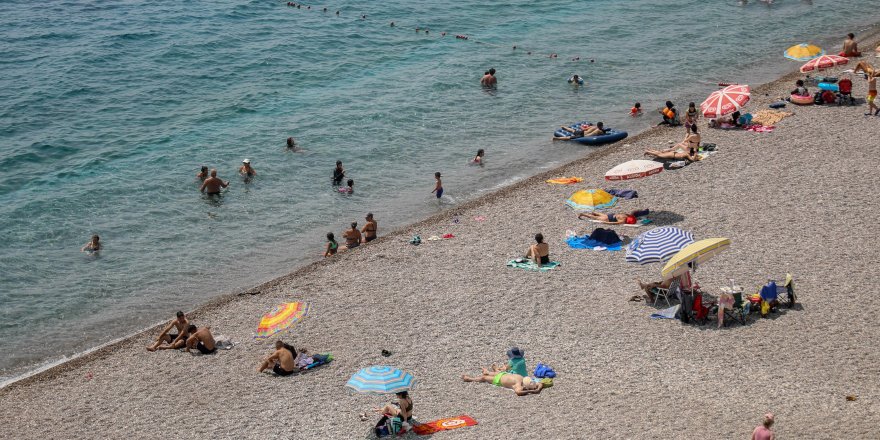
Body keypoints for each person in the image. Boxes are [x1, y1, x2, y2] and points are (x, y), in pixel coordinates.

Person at [461, 368, 544, 396]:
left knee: (484, 378)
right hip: (503, 375)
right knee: (495, 373)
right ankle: (488, 372)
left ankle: (470, 379)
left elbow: (518, 392)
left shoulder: (519, 385)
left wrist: (531, 391)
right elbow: (540, 383)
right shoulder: (522, 379)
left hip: (499, 380)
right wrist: (536, 390)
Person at [579, 209, 650, 225]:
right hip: (609, 219)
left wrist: (640, 210)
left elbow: (634, 212)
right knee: (595, 218)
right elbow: (614, 223)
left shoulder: (627, 215)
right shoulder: (623, 221)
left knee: (602, 214)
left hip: (611, 215)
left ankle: (594, 212)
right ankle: (584, 214)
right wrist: (605, 223)